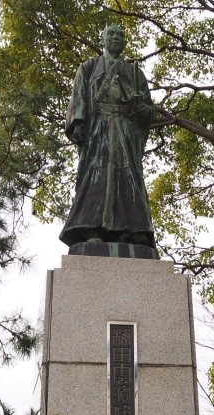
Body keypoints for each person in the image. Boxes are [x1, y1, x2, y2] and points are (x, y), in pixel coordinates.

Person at [60, 24, 156, 250]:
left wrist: (140, 108)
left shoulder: (134, 73)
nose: (116, 37)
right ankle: (92, 228)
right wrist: (78, 124)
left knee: (129, 180)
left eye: (121, 34)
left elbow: (149, 111)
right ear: (102, 38)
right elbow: (78, 100)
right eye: (111, 34)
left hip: (126, 133)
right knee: (96, 178)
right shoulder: (89, 67)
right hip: (98, 132)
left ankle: (131, 232)